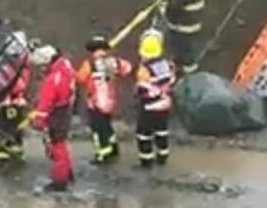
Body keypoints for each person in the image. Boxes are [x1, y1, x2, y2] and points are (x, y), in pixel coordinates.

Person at [75, 35, 132, 164]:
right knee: (107, 125)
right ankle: (113, 149)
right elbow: (127, 68)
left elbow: (80, 78)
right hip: (109, 101)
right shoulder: (114, 62)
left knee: (98, 129)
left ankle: (102, 154)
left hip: (95, 102)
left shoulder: (89, 64)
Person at [31, 44, 76, 192]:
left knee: (56, 147)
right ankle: (68, 175)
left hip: (57, 113)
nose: (41, 69)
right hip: (65, 109)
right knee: (61, 144)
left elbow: (45, 103)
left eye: (42, 66)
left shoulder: (53, 79)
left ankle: (59, 182)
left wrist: (38, 120)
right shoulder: (66, 67)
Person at [134, 29, 176, 168]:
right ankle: (162, 156)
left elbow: (142, 90)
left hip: (149, 106)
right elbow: (171, 81)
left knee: (144, 134)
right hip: (165, 104)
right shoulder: (168, 64)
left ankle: (146, 160)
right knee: (161, 131)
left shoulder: (144, 70)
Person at [0, 35, 32, 163]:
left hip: (16, 99)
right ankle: (5, 147)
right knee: (6, 125)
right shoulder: (5, 66)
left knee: (16, 125)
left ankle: (15, 146)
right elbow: (0, 81)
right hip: (6, 99)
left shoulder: (23, 65)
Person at [162, 0, 205, 75]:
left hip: (182, 25)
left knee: (181, 49)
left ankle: (187, 73)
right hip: (193, 23)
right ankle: (188, 68)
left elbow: (172, 7)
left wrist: (163, 8)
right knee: (189, 48)